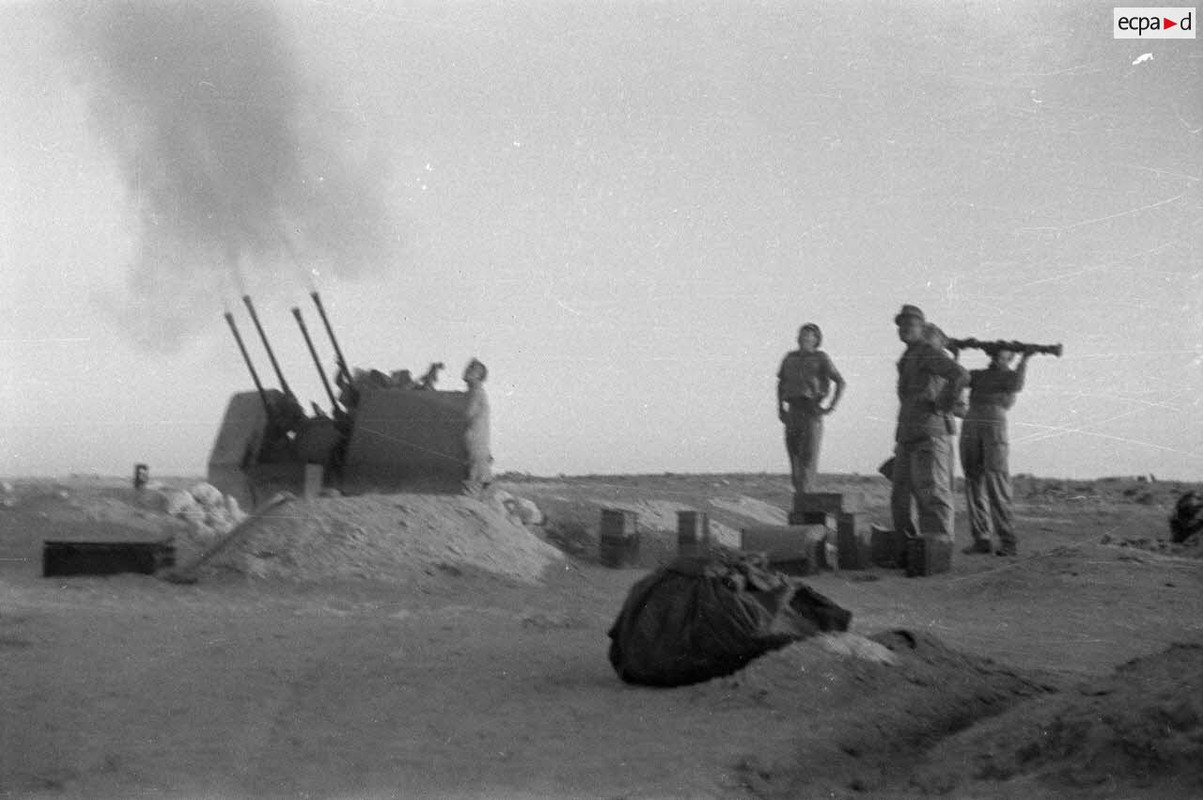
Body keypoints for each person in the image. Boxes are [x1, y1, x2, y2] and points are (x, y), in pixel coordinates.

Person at [891, 305, 969, 547]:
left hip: (930, 434)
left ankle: (937, 549)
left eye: (911, 325)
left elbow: (960, 375)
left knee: (932, 493)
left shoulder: (927, 352)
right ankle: (909, 548)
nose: (905, 329)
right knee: (900, 496)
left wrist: (944, 402)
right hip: (908, 434)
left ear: (922, 329)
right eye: (902, 325)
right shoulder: (907, 358)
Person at [957, 347, 1032, 557]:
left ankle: (1007, 540)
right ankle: (981, 539)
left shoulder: (1010, 376)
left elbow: (1017, 384)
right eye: (995, 353)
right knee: (973, 480)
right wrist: (955, 354)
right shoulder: (979, 375)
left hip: (993, 422)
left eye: (1004, 354)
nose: (996, 357)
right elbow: (959, 378)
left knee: (997, 480)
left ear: (1010, 358)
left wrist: (1025, 359)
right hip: (972, 421)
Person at [777, 323, 845, 495]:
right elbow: (781, 382)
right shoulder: (789, 358)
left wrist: (831, 406)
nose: (804, 338)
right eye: (802, 334)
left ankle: (806, 498)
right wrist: (780, 408)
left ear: (816, 339)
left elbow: (840, 381)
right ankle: (800, 498)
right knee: (794, 458)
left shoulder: (821, 358)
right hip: (793, 409)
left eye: (809, 335)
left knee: (808, 458)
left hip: (811, 410)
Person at [462, 358, 493, 493]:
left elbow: (468, 413)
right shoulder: (477, 391)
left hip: (475, 440)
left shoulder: (476, 392)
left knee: (474, 480)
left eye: (471, 369)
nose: (466, 371)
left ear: (478, 375)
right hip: (478, 441)